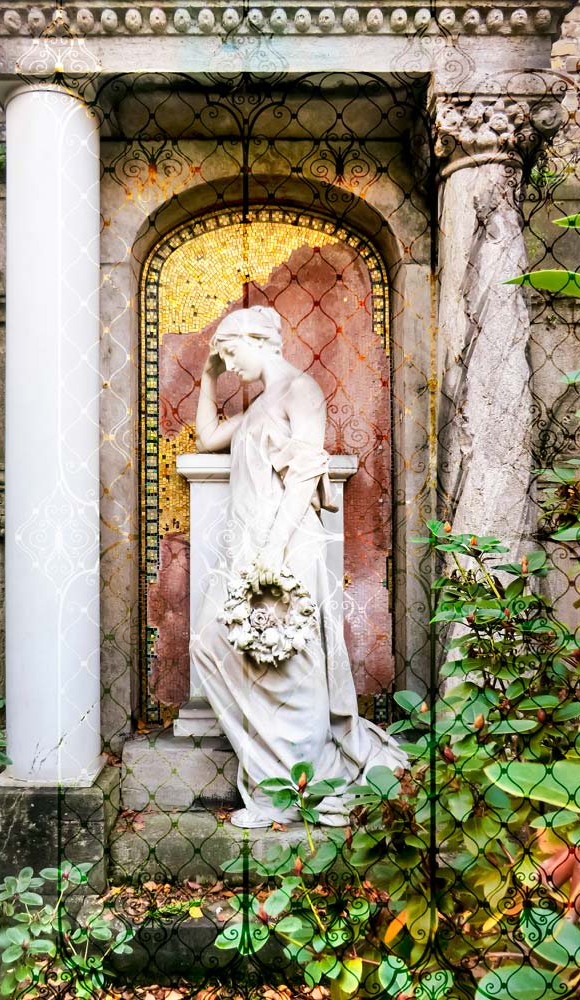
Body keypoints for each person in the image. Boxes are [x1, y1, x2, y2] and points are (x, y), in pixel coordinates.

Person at [190, 305, 406, 828]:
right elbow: (206, 439)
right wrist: (207, 379)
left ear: (259, 340)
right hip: (246, 542)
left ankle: (310, 786)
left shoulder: (300, 390)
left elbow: (307, 469)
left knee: (294, 665)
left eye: (232, 351)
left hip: (284, 539)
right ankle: (276, 782)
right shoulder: (261, 403)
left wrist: (273, 548)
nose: (230, 364)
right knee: (211, 642)